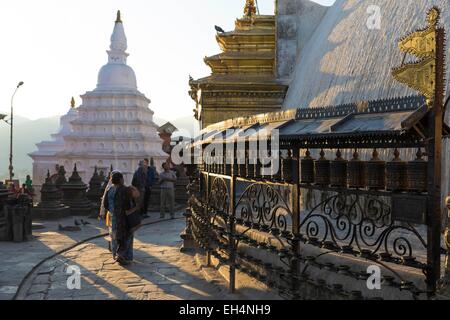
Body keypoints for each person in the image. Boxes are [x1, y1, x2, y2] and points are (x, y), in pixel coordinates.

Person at [102, 171, 136, 265]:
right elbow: (130, 204)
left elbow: (105, 204)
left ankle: (115, 254)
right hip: (124, 217)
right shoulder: (124, 189)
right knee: (127, 235)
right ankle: (124, 255)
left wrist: (112, 210)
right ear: (121, 179)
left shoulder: (109, 190)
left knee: (114, 236)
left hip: (113, 216)